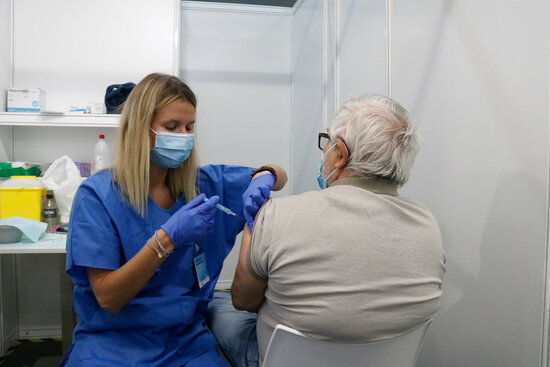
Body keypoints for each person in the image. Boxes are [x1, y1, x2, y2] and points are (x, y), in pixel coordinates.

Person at [61, 73, 287, 367]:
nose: (183, 135)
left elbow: (279, 176)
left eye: (189, 127)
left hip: (184, 342)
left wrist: (266, 175)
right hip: (112, 342)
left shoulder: (202, 184)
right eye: (172, 127)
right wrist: (166, 239)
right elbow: (108, 297)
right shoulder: (97, 195)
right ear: (141, 129)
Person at [207, 94, 446, 367]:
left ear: (341, 155)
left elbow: (243, 300)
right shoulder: (428, 224)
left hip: (282, 360)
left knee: (217, 304)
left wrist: (254, 228)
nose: (325, 153)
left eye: (327, 143)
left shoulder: (279, 216)